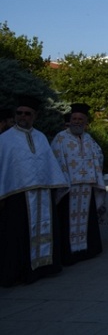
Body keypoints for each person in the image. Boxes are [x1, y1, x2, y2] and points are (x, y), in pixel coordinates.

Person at [0, 96, 70, 287]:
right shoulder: (4, 140)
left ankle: (44, 268)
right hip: (17, 196)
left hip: (43, 195)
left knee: (45, 230)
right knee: (17, 235)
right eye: (19, 113)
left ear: (35, 116)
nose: (23, 116)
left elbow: (48, 164)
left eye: (27, 113)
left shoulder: (40, 137)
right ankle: (19, 272)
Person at [50, 102, 105, 265]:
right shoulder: (60, 138)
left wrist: (95, 175)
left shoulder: (88, 139)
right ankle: (69, 254)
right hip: (69, 188)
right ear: (70, 119)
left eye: (81, 119)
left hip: (87, 187)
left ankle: (87, 250)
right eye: (74, 118)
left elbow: (99, 155)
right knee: (67, 220)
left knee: (87, 220)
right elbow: (56, 159)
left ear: (86, 122)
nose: (77, 121)